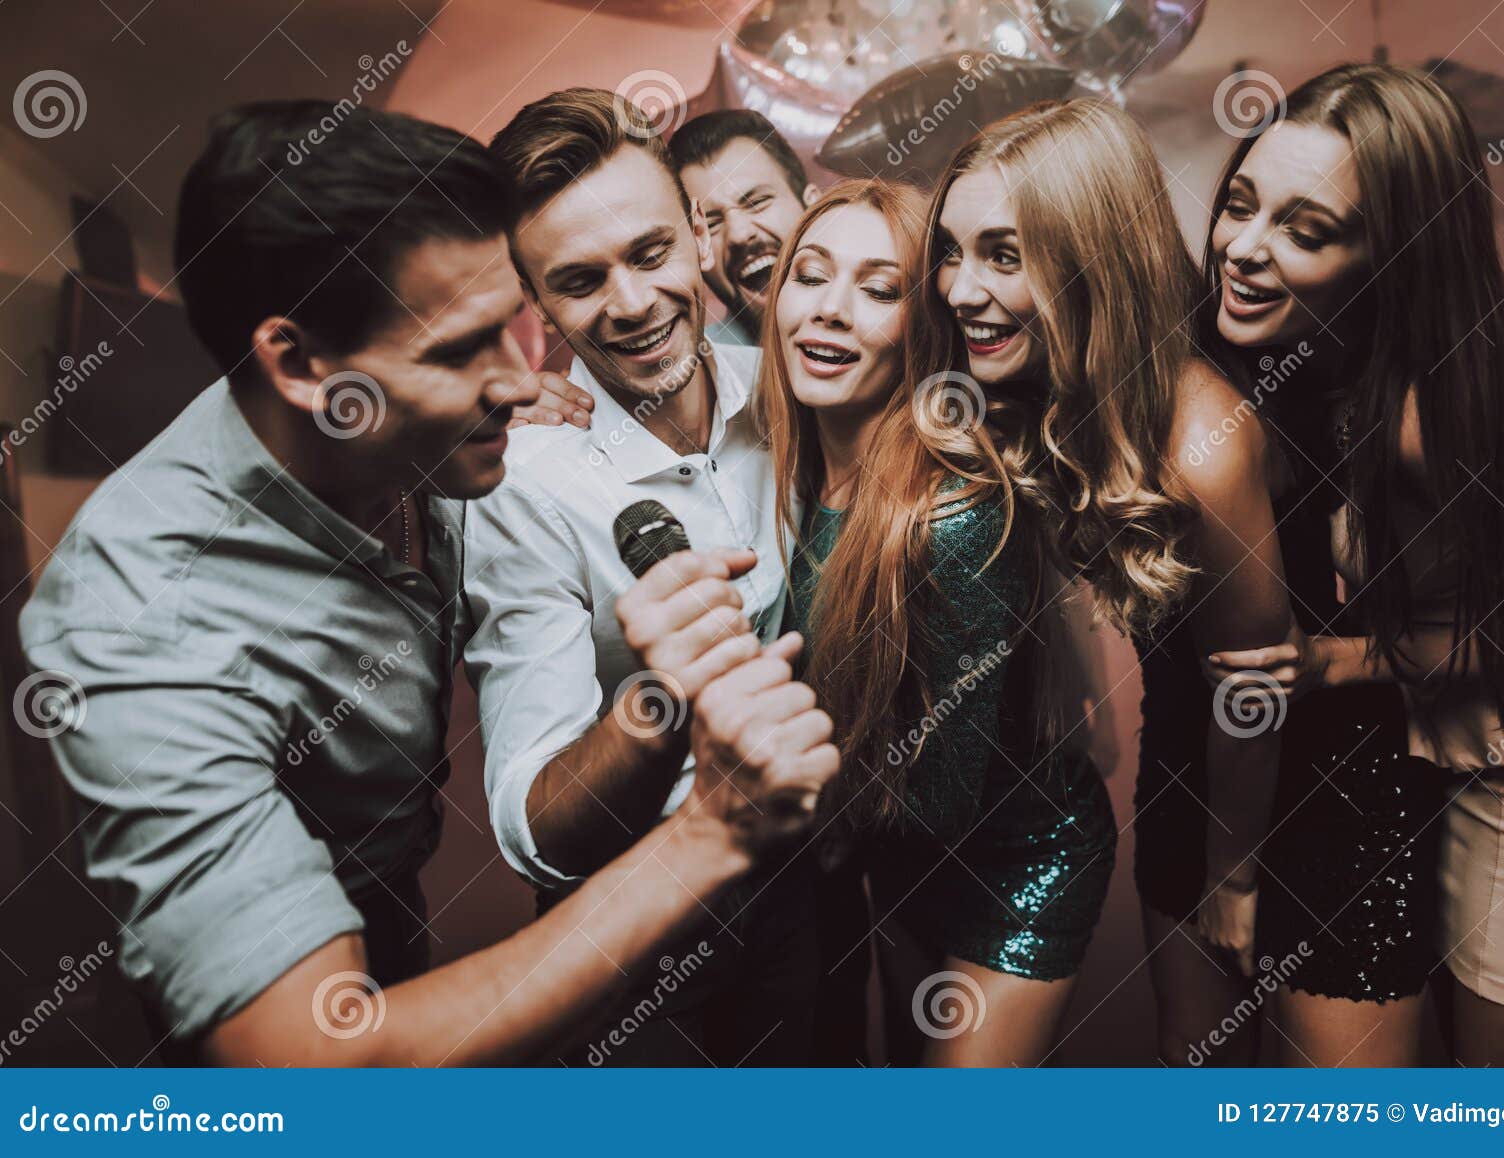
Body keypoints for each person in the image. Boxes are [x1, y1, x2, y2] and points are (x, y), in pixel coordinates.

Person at [17, 100, 838, 1066]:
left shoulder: (441, 431)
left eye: (516, 325)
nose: (524, 382)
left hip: (404, 916)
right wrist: (715, 830)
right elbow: (317, 1065)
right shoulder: (141, 617)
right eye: (458, 350)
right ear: (302, 364)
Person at [1202, 63, 1504, 1067]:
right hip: (1447, 765)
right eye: (1241, 205)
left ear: (1393, 256)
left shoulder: (1431, 418)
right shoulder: (1315, 368)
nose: (1242, 250)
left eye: (1306, 229)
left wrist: (1339, 663)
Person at [927, 99, 1300, 1065]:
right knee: (1195, 1054)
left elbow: (1252, 682)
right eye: (952, 250)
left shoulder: (1204, 442)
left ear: (1094, 258)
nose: (960, 288)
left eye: (1003, 255)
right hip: (1190, 759)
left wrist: (1235, 873)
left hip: (1292, 782)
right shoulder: (1040, 384)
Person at [466, 88, 830, 1065]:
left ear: (698, 239)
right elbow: (535, 831)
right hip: (641, 921)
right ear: (534, 301)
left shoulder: (795, 388)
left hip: (815, 877)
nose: (629, 305)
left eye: (652, 253)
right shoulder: (522, 484)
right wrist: (659, 697)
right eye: (578, 281)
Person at [757, 176, 1118, 1066]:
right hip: (897, 861)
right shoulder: (801, 470)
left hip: (1011, 865)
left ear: (923, 327)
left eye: (879, 290)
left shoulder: (950, 517)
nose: (831, 311)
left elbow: (938, 804)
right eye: (809, 275)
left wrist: (736, 801)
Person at [669, 109, 819, 346]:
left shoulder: (892, 328)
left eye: (757, 203)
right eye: (712, 224)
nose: (738, 234)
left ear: (815, 207)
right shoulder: (697, 373)